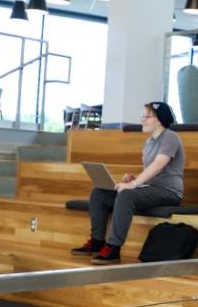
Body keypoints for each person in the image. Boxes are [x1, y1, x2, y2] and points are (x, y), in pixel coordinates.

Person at [72, 102, 185, 264]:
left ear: (160, 120)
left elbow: (159, 164)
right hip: (151, 189)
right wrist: (134, 179)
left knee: (126, 195)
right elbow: (151, 171)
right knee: (99, 193)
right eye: (143, 116)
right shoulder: (149, 143)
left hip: (169, 192)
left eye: (147, 116)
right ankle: (97, 241)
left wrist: (133, 185)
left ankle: (113, 247)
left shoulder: (170, 137)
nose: (143, 120)